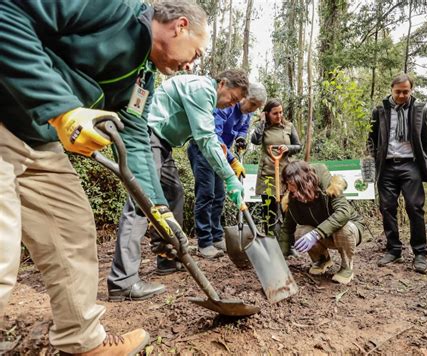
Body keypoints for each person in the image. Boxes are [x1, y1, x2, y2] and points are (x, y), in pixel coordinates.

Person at [0, 0, 209, 354]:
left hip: (38, 139)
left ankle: (83, 341)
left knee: (72, 230)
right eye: (196, 52)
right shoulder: (110, 9)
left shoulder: (143, 76)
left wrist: (159, 210)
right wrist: (61, 109)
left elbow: (136, 138)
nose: (191, 64)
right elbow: (6, 13)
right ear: (180, 26)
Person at [108, 69, 248, 295]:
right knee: (141, 202)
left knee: (174, 194)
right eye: (232, 98)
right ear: (222, 84)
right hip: (148, 136)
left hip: (162, 144)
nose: (230, 105)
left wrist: (228, 159)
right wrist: (229, 177)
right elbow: (205, 138)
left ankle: (167, 258)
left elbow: (207, 135)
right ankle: (122, 281)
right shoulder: (202, 89)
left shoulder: (207, 98)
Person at [368, 73, 427, 274]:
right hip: (386, 166)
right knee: (387, 207)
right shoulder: (380, 111)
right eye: (398, 92)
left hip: (410, 165)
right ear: (391, 90)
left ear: (411, 90)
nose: (402, 95)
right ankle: (393, 249)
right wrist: (371, 161)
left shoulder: (420, 110)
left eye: (406, 91)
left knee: (415, 208)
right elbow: (371, 140)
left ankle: (420, 253)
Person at [187, 83, 267, 259]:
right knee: (206, 194)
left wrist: (240, 138)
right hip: (203, 150)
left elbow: (243, 129)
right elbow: (213, 137)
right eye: (252, 104)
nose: (253, 109)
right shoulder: (226, 108)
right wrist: (232, 160)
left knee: (219, 195)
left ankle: (216, 237)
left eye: (256, 107)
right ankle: (204, 242)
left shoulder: (247, 112)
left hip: (221, 155)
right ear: (244, 97)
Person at [280, 161, 366, 285]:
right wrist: (279, 259)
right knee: (301, 232)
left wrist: (316, 234)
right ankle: (322, 260)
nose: (290, 189)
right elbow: (287, 228)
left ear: (304, 183)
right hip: (323, 234)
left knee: (344, 228)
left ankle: (346, 267)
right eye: (288, 185)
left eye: (292, 185)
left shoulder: (329, 186)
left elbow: (343, 212)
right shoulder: (294, 197)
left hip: (349, 230)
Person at [251, 99, 301, 235]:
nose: (279, 116)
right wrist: (261, 122)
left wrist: (288, 148)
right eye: (275, 113)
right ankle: (270, 240)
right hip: (268, 174)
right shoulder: (264, 128)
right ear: (267, 114)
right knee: (269, 210)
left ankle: (288, 243)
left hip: (286, 175)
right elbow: (254, 141)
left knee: (287, 210)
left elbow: (298, 146)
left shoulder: (289, 126)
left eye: (281, 112)